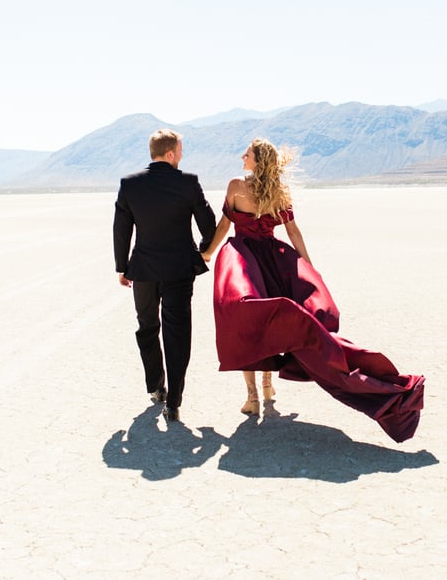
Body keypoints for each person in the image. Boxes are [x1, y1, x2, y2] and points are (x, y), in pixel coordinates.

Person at [200, 138, 424, 442]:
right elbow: (293, 232)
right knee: (274, 322)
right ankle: (267, 386)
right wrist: (306, 267)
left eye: (248, 153)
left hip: (243, 260)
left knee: (248, 321)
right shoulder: (279, 191)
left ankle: (253, 397)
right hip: (274, 260)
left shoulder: (236, 185)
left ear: (258, 160)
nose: (242, 156)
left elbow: (225, 225)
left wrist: (209, 253)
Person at [114, 129, 217, 422]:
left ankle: (155, 386)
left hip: (143, 270)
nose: (182, 155)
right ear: (170, 153)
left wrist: (122, 266)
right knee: (177, 332)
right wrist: (200, 251)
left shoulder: (129, 184)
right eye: (180, 150)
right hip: (179, 269)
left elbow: (121, 229)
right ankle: (174, 400)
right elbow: (208, 227)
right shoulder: (187, 183)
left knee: (147, 326)